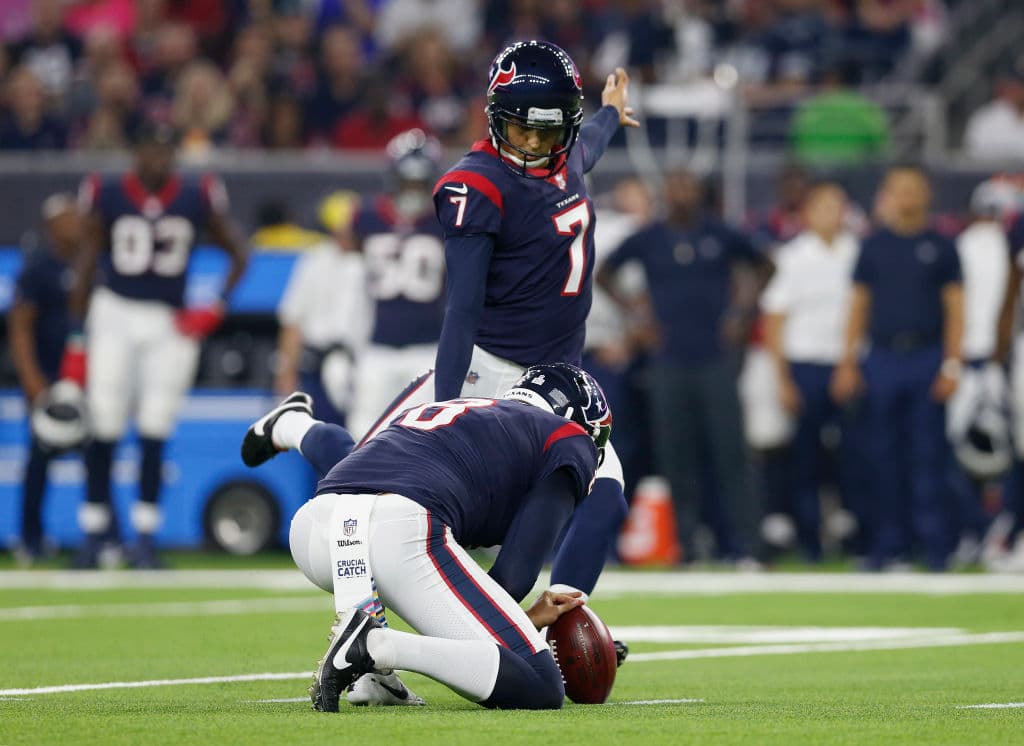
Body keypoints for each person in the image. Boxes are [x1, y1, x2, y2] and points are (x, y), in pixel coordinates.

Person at [376, 40, 636, 598]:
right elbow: (462, 309)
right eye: (524, 130)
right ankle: (378, 636)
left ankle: (556, 627)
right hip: (490, 372)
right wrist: (446, 403)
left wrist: (611, 113)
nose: (537, 144)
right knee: (414, 507)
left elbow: (586, 146)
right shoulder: (477, 184)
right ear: (496, 120)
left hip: (556, 382)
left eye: (549, 131)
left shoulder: (566, 160)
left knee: (605, 495)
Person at [241, 363, 612, 711]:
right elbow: (514, 577)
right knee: (541, 684)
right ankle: (375, 648)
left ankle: (374, 673)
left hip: (313, 532)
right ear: (579, 423)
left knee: (384, 506)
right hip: (398, 532)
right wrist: (522, 620)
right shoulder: (569, 441)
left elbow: (350, 460)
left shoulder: (459, 411)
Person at [62, 122, 249, 568]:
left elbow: (240, 252)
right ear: (134, 151)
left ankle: (145, 535)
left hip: (169, 320)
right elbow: (88, 260)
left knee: (155, 426)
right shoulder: (105, 191)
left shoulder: (196, 193)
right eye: (149, 149)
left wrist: (216, 306)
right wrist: (76, 333)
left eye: (165, 150)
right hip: (114, 310)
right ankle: (96, 532)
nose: (157, 160)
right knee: (104, 423)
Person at [597, 169, 768, 565]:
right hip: (668, 361)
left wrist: (742, 312)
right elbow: (605, 272)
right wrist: (635, 316)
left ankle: (746, 546)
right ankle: (687, 546)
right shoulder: (650, 237)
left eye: (688, 186)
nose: (682, 193)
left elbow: (764, 264)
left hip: (716, 359)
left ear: (699, 192)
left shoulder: (719, 233)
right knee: (677, 456)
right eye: (675, 186)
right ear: (665, 193)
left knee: (730, 454)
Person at [831, 164, 963, 571]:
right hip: (883, 357)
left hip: (926, 356)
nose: (906, 197)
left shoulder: (941, 247)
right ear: (888, 194)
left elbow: (956, 308)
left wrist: (952, 365)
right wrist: (848, 361)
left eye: (913, 189)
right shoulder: (873, 246)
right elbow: (858, 306)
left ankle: (934, 547)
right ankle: (887, 546)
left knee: (928, 457)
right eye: (898, 190)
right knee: (882, 457)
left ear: (927, 195)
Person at [760, 182, 861, 561]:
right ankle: (810, 541)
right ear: (806, 213)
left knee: (852, 455)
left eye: (837, 206)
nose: (830, 214)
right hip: (804, 366)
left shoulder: (857, 253)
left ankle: (853, 535)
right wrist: (783, 379)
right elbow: (774, 320)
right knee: (805, 457)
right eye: (822, 206)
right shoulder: (793, 256)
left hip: (847, 364)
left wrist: (852, 364)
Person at [347, 129, 447, 440]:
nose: (413, 190)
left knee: (427, 436)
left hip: (429, 348)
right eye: (407, 181)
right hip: (378, 346)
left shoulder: (445, 220)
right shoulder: (365, 218)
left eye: (419, 182)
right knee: (362, 433)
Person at [7, 194, 82, 564]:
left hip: (83, 381)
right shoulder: (37, 267)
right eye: (67, 218)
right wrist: (32, 378)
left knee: (97, 458)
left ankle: (103, 535)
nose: (75, 224)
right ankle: (30, 538)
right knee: (40, 460)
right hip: (48, 380)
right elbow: (20, 326)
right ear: (51, 225)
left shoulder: (91, 264)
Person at [274, 191, 372, 425]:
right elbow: (293, 319)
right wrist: (287, 371)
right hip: (319, 360)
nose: (345, 235)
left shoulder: (376, 258)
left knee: (368, 433)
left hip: (367, 362)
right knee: (323, 436)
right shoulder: (316, 260)